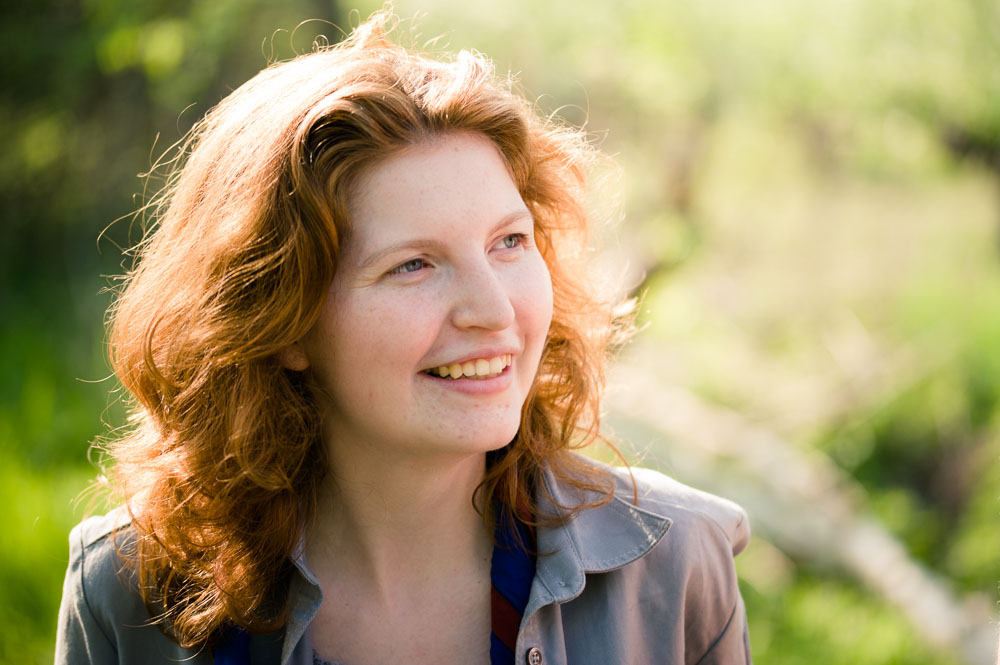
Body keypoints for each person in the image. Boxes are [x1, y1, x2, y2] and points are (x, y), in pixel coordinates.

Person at [55, 11, 751, 665]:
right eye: (414, 264)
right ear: (281, 321)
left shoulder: (676, 568)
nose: (494, 310)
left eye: (510, 241)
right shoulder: (125, 592)